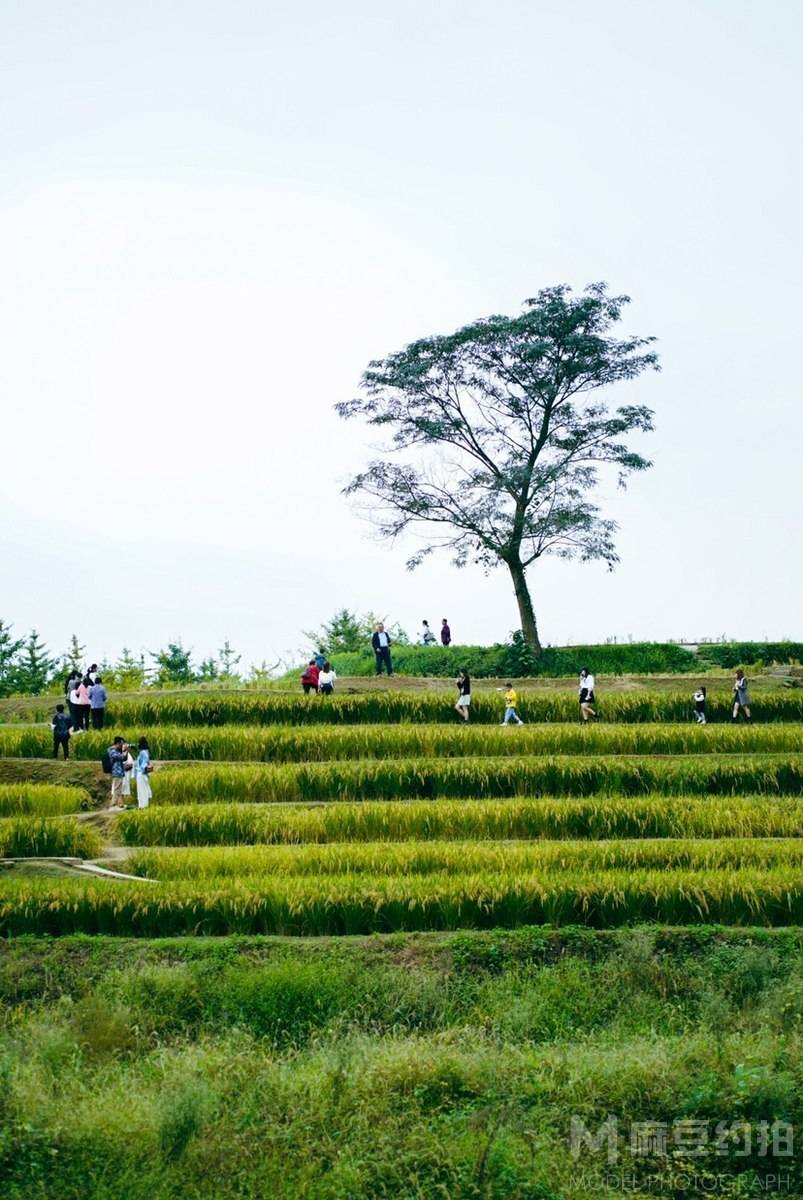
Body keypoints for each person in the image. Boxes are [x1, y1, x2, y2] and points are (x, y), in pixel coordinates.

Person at [107, 736, 126, 808]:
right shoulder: (113, 751)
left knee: (118, 789)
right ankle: (113, 804)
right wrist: (125, 751)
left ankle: (114, 804)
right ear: (117, 743)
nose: (122, 745)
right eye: (121, 743)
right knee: (117, 789)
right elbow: (122, 757)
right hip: (117, 772)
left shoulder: (116, 750)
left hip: (119, 772)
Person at [135, 737, 153, 808]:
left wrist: (147, 768)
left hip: (141, 774)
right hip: (142, 775)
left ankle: (143, 806)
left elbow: (143, 766)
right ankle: (144, 806)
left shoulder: (142, 753)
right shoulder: (145, 752)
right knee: (144, 790)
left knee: (142, 791)